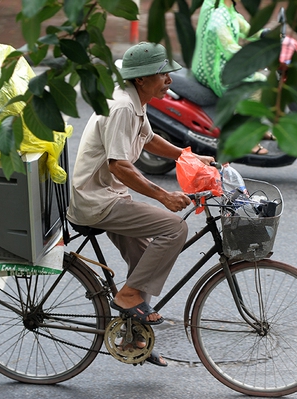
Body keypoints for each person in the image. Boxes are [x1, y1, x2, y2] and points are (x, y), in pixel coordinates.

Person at [66, 42, 214, 367]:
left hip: (109, 195)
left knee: (144, 256)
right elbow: (119, 165)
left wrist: (187, 156)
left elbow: (148, 138)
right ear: (142, 79)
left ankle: (133, 338)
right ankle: (129, 296)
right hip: (97, 202)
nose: (169, 81)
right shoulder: (122, 106)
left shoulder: (136, 101)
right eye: (163, 74)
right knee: (175, 228)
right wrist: (162, 196)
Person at [191, 0, 273, 154]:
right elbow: (229, 48)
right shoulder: (218, 15)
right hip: (214, 72)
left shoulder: (226, 8)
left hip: (220, 64)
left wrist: (265, 34)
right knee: (258, 84)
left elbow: (243, 26)